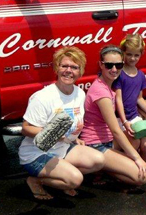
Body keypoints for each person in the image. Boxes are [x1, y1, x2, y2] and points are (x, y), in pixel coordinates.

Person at [19, 47, 105, 200]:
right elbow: (25, 129)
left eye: (74, 67)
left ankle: (62, 178)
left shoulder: (79, 93)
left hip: (63, 148)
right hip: (37, 153)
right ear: (56, 68)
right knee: (75, 180)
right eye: (64, 66)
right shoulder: (43, 97)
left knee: (98, 161)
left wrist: (73, 137)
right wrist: (52, 134)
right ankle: (35, 180)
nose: (68, 71)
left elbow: (73, 123)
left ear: (80, 71)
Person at [80, 45, 146, 187]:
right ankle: (103, 167)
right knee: (141, 177)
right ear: (101, 65)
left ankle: (106, 168)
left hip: (108, 140)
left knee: (134, 138)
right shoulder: (101, 92)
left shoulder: (107, 85)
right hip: (96, 144)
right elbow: (115, 131)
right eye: (109, 65)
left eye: (118, 65)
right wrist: (137, 158)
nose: (114, 69)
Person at [114, 34, 146, 184]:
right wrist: (123, 120)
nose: (132, 58)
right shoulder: (119, 74)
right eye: (129, 54)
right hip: (120, 118)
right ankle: (130, 171)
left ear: (141, 55)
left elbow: (139, 98)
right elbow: (118, 99)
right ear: (123, 53)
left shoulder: (140, 75)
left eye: (136, 55)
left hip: (134, 116)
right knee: (130, 145)